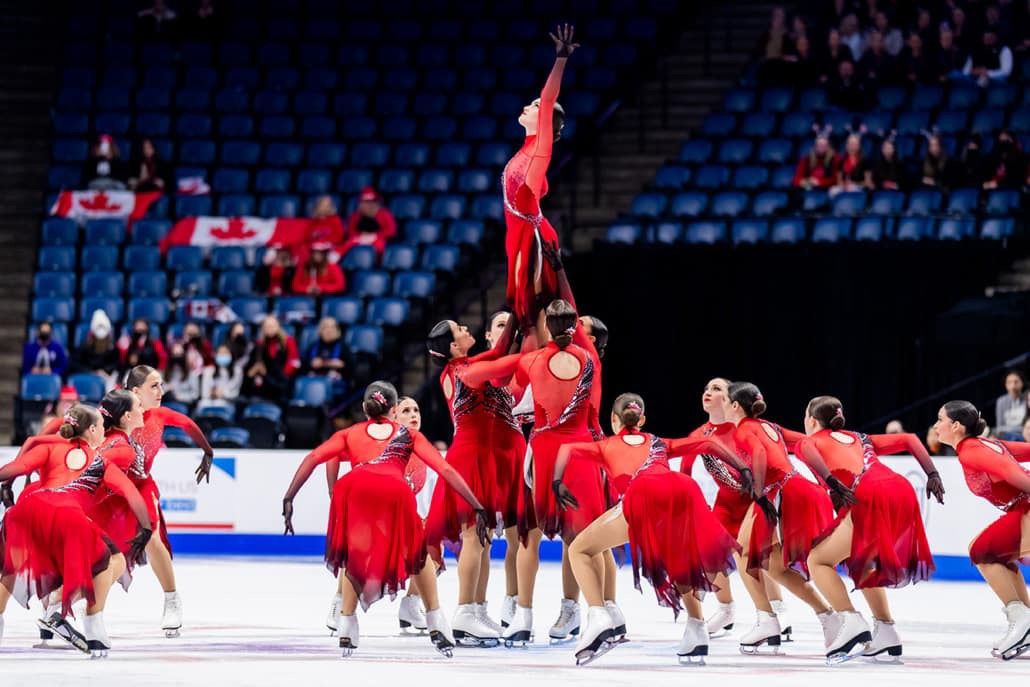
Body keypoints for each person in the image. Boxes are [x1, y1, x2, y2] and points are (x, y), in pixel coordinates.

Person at [282, 382, 491, 657]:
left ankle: (347, 621)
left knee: (354, 556)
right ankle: (434, 619)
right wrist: (476, 505)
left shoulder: (349, 433)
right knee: (418, 554)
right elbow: (444, 468)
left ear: (365, 409)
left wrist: (289, 496)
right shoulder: (408, 435)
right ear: (393, 410)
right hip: (393, 489)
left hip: (353, 488)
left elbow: (314, 457)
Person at [554, 393, 747, 665]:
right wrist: (743, 469)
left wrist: (556, 481)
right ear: (641, 420)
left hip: (643, 493)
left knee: (580, 550)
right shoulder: (659, 442)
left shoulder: (605, 445)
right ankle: (697, 629)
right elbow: (708, 442)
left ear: (613, 419)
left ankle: (599, 616)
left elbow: (567, 449)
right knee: (678, 562)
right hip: (679, 491)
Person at [798, 396, 943, 663]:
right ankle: (886, 630)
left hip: (869, 493)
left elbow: (807, 449)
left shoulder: (809, 441)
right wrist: (932, 474)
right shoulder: (861, 437)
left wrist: (831, 483)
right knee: (862, 561)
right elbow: (910, 438)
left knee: (818, 560)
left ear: (811, 420)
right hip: (901, 490)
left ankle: (850, 620)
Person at [0, 403, 152, 656]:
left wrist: (6, 486)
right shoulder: (100, 461)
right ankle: (92, 627)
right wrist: (145, 528)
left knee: (9, 569)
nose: (104, 431)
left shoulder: (49, 448)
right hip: (67, 516)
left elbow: (13, 469)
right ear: (92, 429)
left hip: (27, 509)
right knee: (112, 560)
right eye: (101, 427)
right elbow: (131, 493)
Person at [423, 314, 527, 645]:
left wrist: (517, 322)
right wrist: (535, 350)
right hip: (470, 459)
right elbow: (502, 359)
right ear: (454, 346)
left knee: (483, 538)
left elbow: (496, 354)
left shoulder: (468, 364)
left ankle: (478, 607)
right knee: (472, 535)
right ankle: (464, 609)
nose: (468, 330)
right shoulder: (462, 371)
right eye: (461, 330)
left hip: (485, 457)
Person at [718, 382, 837, 654]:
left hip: (780, 494)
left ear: (736, 406)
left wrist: (758, 492)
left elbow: (759, 454)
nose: (723, 405)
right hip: (797, 488)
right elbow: (807, 443)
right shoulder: (771, 426)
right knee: (773, 566)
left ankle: (766, 619)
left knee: (743, 552)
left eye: (726, 400)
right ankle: (828, 617)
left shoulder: (743, 429)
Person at [682, 379, 791, 643]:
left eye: (717, 388)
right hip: (726, 505)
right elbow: (685, 472)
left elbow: (790, 444)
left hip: (757, 501)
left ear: (732, 400)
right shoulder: (698, 435)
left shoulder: (747, 427)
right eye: (706, 388)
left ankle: (777, 611)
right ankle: (726, 609)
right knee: (709, 557)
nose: (708, 392)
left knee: (762, 560)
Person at [322, 393, 429, 636]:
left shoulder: (422, 448)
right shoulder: (373, 443)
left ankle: (411, 604)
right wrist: (332, 489)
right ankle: (341, 601)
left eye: (416, 410)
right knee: (356, 546)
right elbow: (333, 453)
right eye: (406, 411)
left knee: (432, 544)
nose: (413, 415)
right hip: (371, 517)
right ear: (392, 416)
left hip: (399, 518)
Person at [933, 401, 1030, 660]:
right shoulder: (988, 445)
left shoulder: (971, 451)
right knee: (991, 552)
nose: (935, 425)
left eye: (939, 419)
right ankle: (1025, 619)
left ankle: (1022, 620)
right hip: (1022, 509)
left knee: (982, 551)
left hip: (1027, 508)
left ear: (956, 425)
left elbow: (1014, 474)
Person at [502, 26, 575, 339]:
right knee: (526, 315)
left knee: (535, 312)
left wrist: (560, 59)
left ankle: (549, 373)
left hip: (532, 237)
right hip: (520, 233)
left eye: (533, 106)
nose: (528, 107)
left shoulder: (540, 149)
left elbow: (548, 99)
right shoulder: (526, 149)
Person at [242, 316, 301, 401]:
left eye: (272, 326)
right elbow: (252, 364)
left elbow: (294, 361)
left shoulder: (288, 341)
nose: (269, 328)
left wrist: (282, 377)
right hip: (265, 381)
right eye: (267, 326)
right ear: (263, 329)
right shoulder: (259, 344)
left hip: (281, 381)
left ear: (278, 326)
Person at [71, 309, 119, 389]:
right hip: (88, 376)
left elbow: (115, 364)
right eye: (98, 340)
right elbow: (75, 364)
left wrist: (105, 371)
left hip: (106, 377)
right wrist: (91, 372)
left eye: (103, 340)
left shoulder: (112, 348)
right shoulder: (85, 347)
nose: (101, 343)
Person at [995, 370, 1028, 440]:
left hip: (1024, 436)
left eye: (1016, 382)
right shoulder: (1001, 401)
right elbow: (999, 428)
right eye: (1009, 382)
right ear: (1005, 385)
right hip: (1007, 437)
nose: (1013, 386)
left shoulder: (1027, 399)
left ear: (1022, 383)